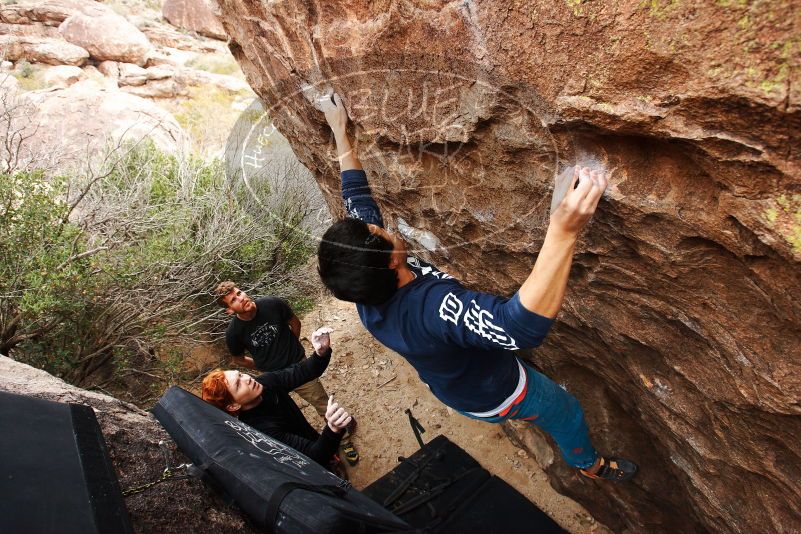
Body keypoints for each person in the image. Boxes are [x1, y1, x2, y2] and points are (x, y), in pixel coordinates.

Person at [315, 93, 636, 482]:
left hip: (455, 384)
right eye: (377, 231)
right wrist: (563, 230)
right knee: (565, 411)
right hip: (499, 392)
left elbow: (356, 199)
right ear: (391, 261)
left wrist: (339, 133)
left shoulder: (366, 287)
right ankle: (590, 466)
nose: (379, 224)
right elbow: (517, 329)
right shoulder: (431, 308)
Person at [214, 282, 359, 465]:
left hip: (297, 367)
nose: (241, 298)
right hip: (272, 379)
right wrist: (261, 366)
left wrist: (293, 348)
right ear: (229, 310)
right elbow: (238, 359)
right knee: (287, 417)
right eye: (234, 300)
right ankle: (317, 448)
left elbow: (295, 323)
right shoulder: (234, 332)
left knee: (322, 404)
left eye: (239, 292)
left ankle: (344, 440)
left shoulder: (272, 304)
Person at [202, 326, 353, 470]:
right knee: (326, 468)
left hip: (309, 436)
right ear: (233, 406)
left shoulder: (264, 383)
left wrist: (321, 352)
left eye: (240, 374)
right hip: (304, 465)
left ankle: (334, 463)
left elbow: (304, 371)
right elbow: (314, 455)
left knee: (326, 452)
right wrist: (333, 429)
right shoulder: (261, 431)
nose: (247, 378)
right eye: (238, 385)